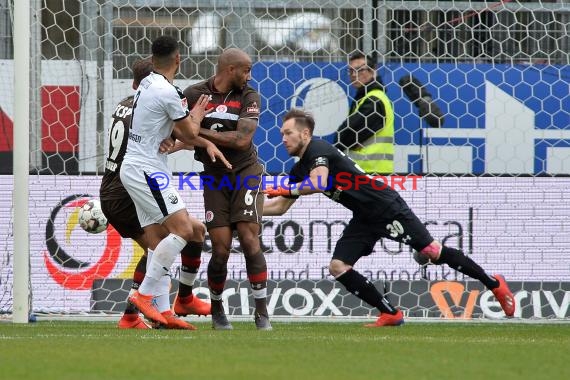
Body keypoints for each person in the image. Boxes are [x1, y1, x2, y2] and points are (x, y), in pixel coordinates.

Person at [263, 109, 515, 326]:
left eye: (288, 133)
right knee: (338, 266)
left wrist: (285, 188)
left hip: (385, 206)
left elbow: (318, 182)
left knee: (432, 251)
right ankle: (390, 313)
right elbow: (279, 207)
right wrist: (246, 210)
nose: (283, 139)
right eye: (282, 134)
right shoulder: (298, 170)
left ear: (305, 134)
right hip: (364, 216)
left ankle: (493, 283)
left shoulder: (318, 149)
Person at [120, 35, 231, 328]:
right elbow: (189, 134)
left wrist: (172, 132)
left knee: (158, 241)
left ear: (153, 58)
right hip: (147, 170)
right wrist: (195, 115)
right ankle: (143, 296)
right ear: (179, 58)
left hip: (135, 167)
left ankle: (164, 311)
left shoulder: (146, 83)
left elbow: (168, 128)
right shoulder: (168, 92)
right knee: (184, 229)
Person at [100, 58, 212, 329]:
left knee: (184, 234)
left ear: (134, 83)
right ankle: (141, 311)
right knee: (166, 241)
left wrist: (173, 138)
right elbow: (185, 133)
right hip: (126, 190)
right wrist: (194, 123)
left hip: (116, 186)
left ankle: (161, 311)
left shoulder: (128, 104)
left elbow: (167, 137)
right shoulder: (152, 104)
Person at [182, 48, 271, 330]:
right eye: (246, 70)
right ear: (230, 69)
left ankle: (262, 313)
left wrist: (198, 132)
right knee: (220, 248)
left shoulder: (249, 96)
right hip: (214, 177)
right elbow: (177, 130)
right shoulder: (194, 94)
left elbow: (243, 140)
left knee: (248, 237)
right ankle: (218, 310)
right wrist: (189, 132)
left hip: (246, 171)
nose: (249, 76)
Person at [334, 52, 395, 174]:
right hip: (368, 172)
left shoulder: (374, 100)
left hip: (370, 173)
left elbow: (344, 137)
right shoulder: (365, 98)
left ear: (374, 70)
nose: (354, 75)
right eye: (350, 71)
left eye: (360, 70)